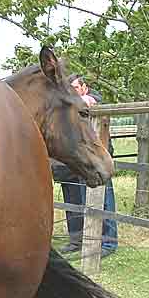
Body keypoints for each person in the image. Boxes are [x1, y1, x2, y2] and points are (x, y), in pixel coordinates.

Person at [55, 75, 118, 258]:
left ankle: (108, 241)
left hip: (94, 160)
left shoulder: (91, 99)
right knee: (75, 203)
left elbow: (91, 100)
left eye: (75, 88)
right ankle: (78, 240)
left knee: (103, 200)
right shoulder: (68, 104)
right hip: (74, 161)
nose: (72, 91)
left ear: (84, 87)